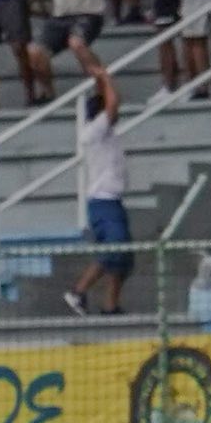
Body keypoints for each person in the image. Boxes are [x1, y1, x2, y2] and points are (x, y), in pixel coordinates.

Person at [64, 43, 129, 318]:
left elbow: (107, 97)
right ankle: (78, 291)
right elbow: (113, 103)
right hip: (103, 201)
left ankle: (110, 305)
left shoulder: (103, 130)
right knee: (115, 248)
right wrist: (105, 78)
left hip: (113, 200)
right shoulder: (93, 132)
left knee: (125, 259)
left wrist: (97, 71)